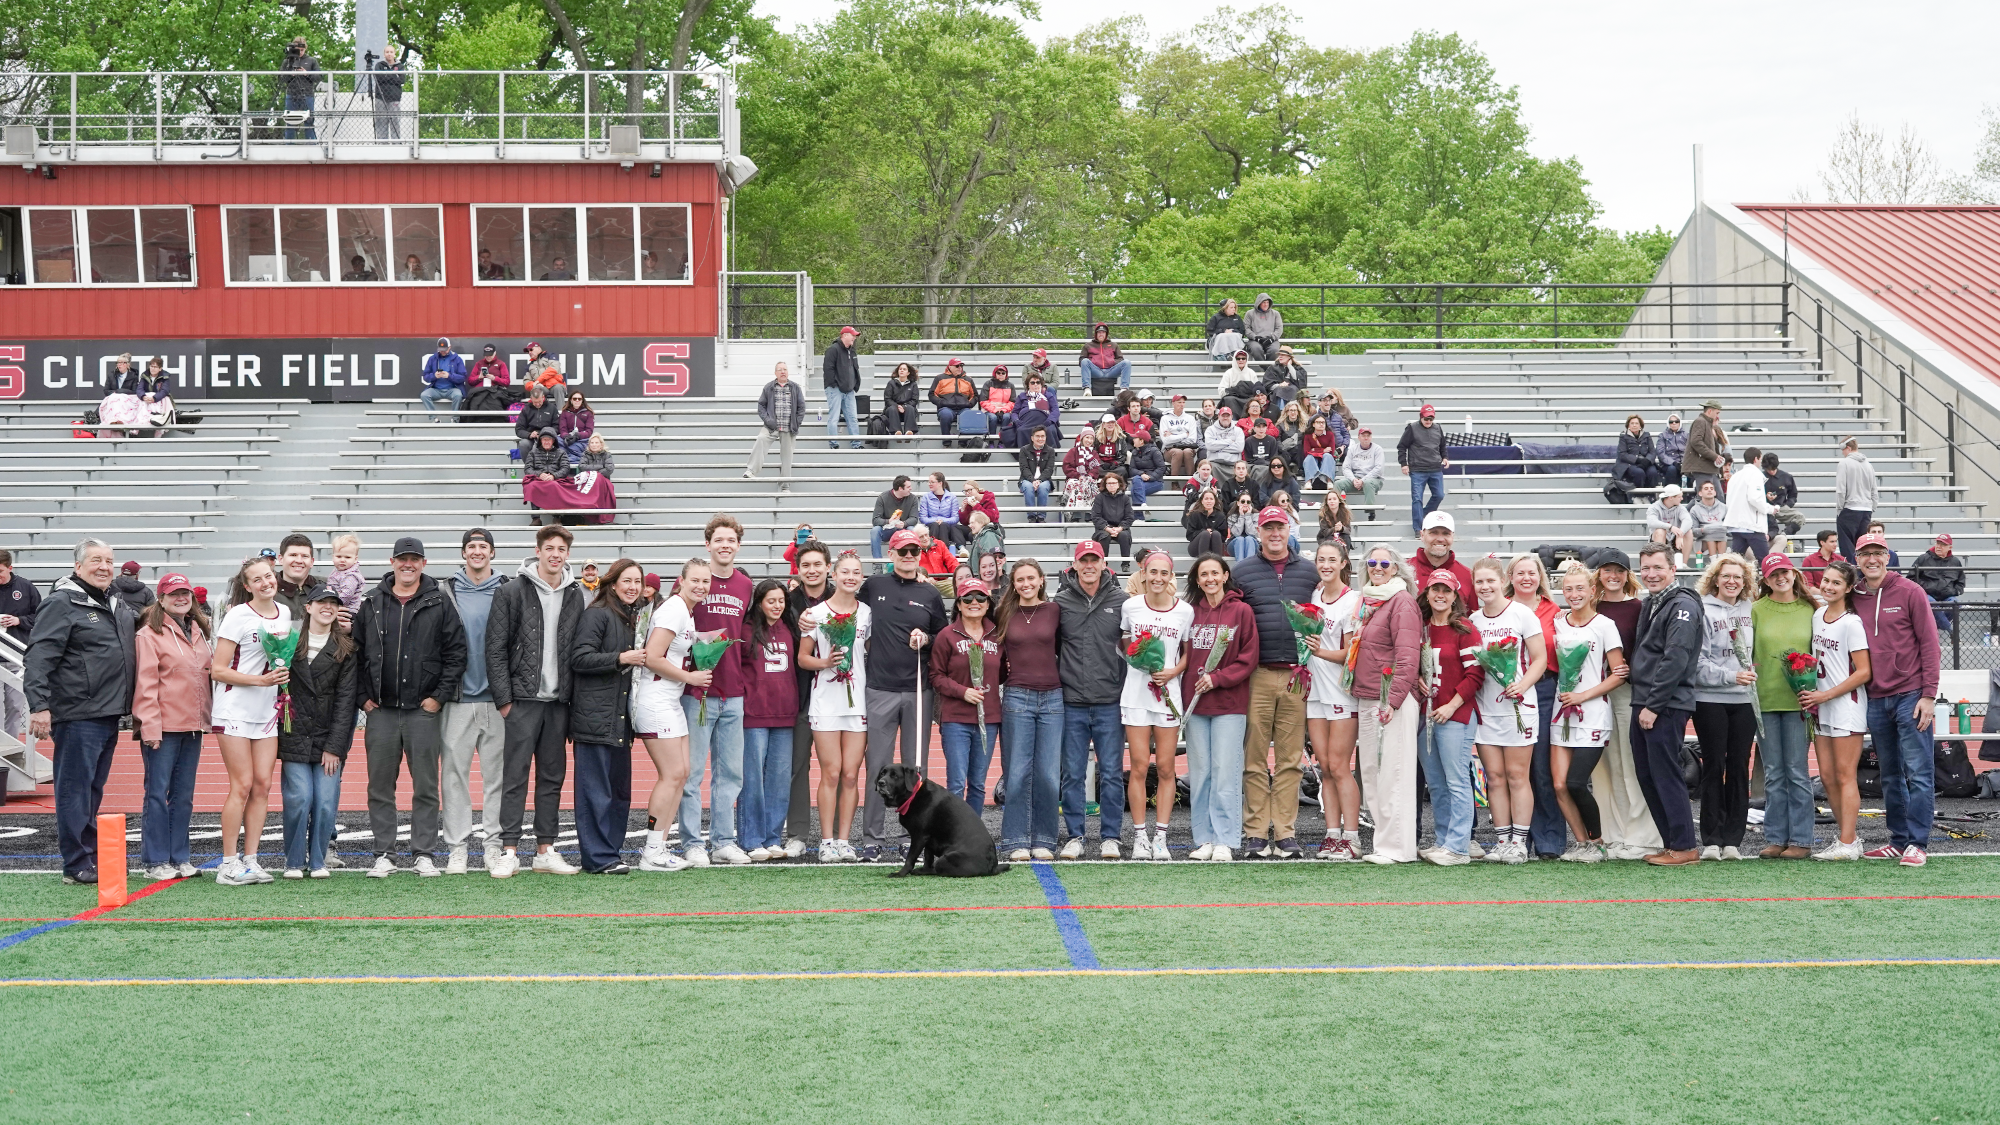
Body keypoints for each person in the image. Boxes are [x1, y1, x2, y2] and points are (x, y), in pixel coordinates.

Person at [24, 540, 138, 885]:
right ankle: (75, 862)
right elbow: (39, 656)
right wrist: (39, 706)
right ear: (77, 566)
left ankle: (90, 856)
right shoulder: (62, 603)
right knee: (75, 790)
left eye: (109, 560)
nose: (104, 566)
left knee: (91, 789)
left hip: (106, 712)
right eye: (95, 561)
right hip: (77, 713)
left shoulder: (114, 602)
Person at [354, 537, 468, 879]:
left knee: (426, 786)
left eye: (414, 559)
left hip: (423, 711)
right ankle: (384, 853)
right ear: (392, 561)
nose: (408, 564)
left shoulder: (439, 601)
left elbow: (456, 654)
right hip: (382, 711)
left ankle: (423, 853)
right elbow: (355, 654)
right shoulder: (372, 602)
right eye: (402, 559)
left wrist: (438, 697)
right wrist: (364, 699)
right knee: (380, 786)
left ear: (424, 562)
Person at [1230, 505, 1320, 859]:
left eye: (1279, 527)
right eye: (1268, 528)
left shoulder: (1310, 572)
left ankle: (1284, 832)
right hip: (1258, 675)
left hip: (1297, 676)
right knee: (1253, 758)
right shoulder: (1243, 571)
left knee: (1289, 760)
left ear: (1289, 529)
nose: (1274, 533)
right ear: (1259, 532)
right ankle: (1255, 832)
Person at [1850, 532, 1941, 866]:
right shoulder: (1854, 595)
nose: (1871, 559)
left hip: (1910, 695)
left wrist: (1929, 694)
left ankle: (1918, 842)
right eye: (1865, 554)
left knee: (1918, 772)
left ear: (1887, 556)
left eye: (1878, 553)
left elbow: (1930, 645)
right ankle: (1899, 839)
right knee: (1889, 773)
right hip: (1875, 697)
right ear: (1856, 559)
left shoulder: (1910, 591)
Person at [857, 529, 949, 861]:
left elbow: (943, 632)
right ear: (891, 554)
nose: (909, 555)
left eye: (914, 550)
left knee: (914, 769)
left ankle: (911, 835)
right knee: (878, 766)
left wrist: (926, 636)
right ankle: (873, 838)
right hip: (879, 688)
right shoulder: (874, 586)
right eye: (903, 551)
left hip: (916, 691)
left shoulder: (930, 593)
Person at [204, 555, 293, 886]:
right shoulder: (237, 615)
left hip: (267, 711)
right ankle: (227, 863)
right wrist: (261, 682)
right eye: (257, 579)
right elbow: (218, 669)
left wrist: (280, 681)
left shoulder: (284, 612)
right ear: (247, 586)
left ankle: (251, 859)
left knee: (263, 785)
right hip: (235, 709)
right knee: (240, 785)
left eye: (269, 576)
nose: (266, 582)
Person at [674, 515, 755, 865]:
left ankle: (722, 840)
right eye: (718, 540)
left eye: (731, 540)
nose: (725, 545)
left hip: (732, 691)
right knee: (691, 772)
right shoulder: (695, 581)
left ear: (737, 545)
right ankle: (691, 842)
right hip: (697, 691)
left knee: (730, 772)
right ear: (708, 544)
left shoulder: (745, 585)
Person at [434, 529, 509, 875]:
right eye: (471, 547)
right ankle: (458, 848)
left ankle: (493, 846)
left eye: (483, 546)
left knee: (498, 776)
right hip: (458, 698)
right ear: (463, 553)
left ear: (492, 552)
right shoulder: (444, 590)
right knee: (454, 776)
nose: (477, 552)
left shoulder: (508, 588)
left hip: (498, 699)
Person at [568, 559, 647, 874]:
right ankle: (597, 858)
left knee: (618, 792)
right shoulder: (597, 614)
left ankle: (610, 854)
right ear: (612, 583)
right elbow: (579, 657)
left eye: (637, 582)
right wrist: (620, 658)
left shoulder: (631, 618)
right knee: (595, 793)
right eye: (626, 581)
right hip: (594, 719)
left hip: (618, 720)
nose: (632, 587)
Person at [1110, 551, 1189, 861]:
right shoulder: (1130, 606)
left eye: (1164, 573)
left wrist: (1172, 671)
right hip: (1136, 696)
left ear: (1171, 576)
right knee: (1140, 766)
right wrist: (1139, 660)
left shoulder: (1185, 611)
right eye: (1152, 572)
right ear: (1143, 573)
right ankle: (1140, 836)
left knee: (1168, 768)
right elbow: (1125, 646)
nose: (1157, 578)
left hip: (1168, 694)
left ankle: (1162, 837)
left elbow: (1188, 653)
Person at [1628, 544, 1704, 865]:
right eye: (1645, 568)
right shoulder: (1653, 602)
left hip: (1663, 704)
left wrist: (1654, 705)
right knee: (1647, 774)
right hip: (1645, 700)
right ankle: (1672, 842)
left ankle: (1685, 845)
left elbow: (1676, 657)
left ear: (1673, 569)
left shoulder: (1682, 605)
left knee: (1665, 773)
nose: (1651, 574)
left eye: (1658, 567)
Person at [130, 574, 209, 880]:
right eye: (174, 593)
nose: (181, 598)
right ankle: (155, 860)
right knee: (157, 794)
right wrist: (150, 726)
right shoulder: (149, 634)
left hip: (192, 726)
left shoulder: (199, 631)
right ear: (161, 598)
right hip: (163, 727)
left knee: (184, 796)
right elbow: (145, 684)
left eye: (185, 593)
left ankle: (180, 856)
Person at [1548, 564, 1628, 863]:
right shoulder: (1558, 622)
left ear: (1592, 591)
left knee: (1575, 783)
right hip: (1561, 711)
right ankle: (1582, 844)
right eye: (1568, 589)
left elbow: (1619, 673)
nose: (1574, 594)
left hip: (1592, 713)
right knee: (1558, 785)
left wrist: (1582, 695)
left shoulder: (1605, 625)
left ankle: (1598, 842)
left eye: (1580, 588)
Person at [277, 586, 358, 879]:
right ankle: (294, 862)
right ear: (308, 607)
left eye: (333, 603)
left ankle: (320, 860)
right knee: (299, 798)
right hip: (295, 734)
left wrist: (335, 747)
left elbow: (346, 702)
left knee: (324, 802)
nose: (328, 607)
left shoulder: (347, 649)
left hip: (328, 739)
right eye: (322, 602)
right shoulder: (288, 643)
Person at [1054, 540, 1128, 859]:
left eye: (1093, 560)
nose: (1088, 565)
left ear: (1102, 562)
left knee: (1111, 771)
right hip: (1072, 700)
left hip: (1110, 700)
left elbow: (1132, 646)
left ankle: (1111, 835)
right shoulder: (1060, 602)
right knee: (1072, 772)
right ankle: (1076, 835)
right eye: (1083, 560)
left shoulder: (1122, 600)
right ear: (1074, 565)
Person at [632, 557, 706, 872]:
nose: (701, 586)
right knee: (672, 774)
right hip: (656, 700)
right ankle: (651, 851)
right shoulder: (674, 609)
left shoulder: (685, 612)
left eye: (706, 582)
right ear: (681, 580)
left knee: (683, 772)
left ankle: (660, 846)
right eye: (696, 580)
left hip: (670, 700)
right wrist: (690, 678)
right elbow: (651, 657)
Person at [1350, 546, 1423, 863]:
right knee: (1373, 774)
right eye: (1372, 562)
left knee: (1394, 773)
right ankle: (1384, 843)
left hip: (1391, 699)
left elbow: (1408, 657)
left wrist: (1392, 699)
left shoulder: (1401, 601)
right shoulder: (1369, 602)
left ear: (1395, 568)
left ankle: (1397, 848)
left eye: (1384, 563)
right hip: (1367, 695)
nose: (1377, 567)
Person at [1467, 556, 1542, 864]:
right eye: (1479, 582)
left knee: (1516, 776)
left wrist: (1522, 685)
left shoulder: (1522, 614)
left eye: (1490, 581)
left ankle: (1520, 843)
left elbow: (1538, 659)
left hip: (1519, 706)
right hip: (1485, 708)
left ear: (1502, 582)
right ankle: (1501, 840)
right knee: (1494, 777)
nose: (1485, 587)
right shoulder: (1473, 620)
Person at [799, 552, 872, 861]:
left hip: (857, 702)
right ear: (835, 574)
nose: (851, 577)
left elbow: (867, 651)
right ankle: (826, 841)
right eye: (845, 572)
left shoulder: (867, 612)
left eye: (856, 573)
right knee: (831, 772)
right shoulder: (815, 614)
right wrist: (826, 663)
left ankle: (845, 840)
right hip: (825, 702)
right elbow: (803, 658)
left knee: (851, 775)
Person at [1589, 552, 1661, 860]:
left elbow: (1646, 651)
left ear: (1627, 574)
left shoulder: (1639, 607)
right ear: (1600, 574)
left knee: (1630, 764)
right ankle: (1614, 835)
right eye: (1607, 570)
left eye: (1619, 570)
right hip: (1593, 695)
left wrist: (1634, 671)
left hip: (1626, 694)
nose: (1613, 575)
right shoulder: (1589, 607)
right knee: (1604, 768)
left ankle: (1641, 835)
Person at [992, 560, 1063, 859]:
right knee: (1017, 773)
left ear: (1042, 580)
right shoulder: (1003, 613)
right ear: (1013, 582)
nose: (1026, 584)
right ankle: (1016, 840)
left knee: (1047, 774)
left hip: (1053, 699)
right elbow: (995, 655)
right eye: (1020, 579)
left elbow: (1062, 648)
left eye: (1031, 578)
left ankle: (1045, 839)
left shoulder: (1055, 611)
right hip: (1017, 697)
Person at [1414, 569, 1485, 866]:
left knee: (1457, 781)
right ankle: (1443, 840)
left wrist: (1452, 705)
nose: (1440, 595)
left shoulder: (1465, 629)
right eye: (1435, 590)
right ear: (1427, 594)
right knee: (1436, 783)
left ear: (1455, 596)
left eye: (1446, 590)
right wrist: (1418, 677)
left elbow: (1476, 675)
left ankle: (1458, 846)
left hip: (1454, 714)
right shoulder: (1422, 628)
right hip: (1426, 714)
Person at [1806, 560, 1875, 861]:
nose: (1828, 586)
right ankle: (1848, 838)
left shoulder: (1852, 623)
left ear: (1848, 588)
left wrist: (1826, 695)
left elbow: (1863, 672)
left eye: (1836, 583)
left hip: (1846, 705)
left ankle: (1848, 844)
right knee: (1827, 776)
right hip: (1821, 706)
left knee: (1846, 775)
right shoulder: (1818, 614)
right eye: (1826, 580)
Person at [1750, 552, 1816, 860]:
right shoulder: (1755, 611)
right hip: (1765, 701)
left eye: (1785, 572)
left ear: (1794, 574)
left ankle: (1801, 839)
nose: (1781, 577)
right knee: (1774, 773)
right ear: (1765, 579)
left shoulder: (1811, 609)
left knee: (1797, 772)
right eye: (1774, 573)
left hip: (1799, 703)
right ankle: (1776, 837)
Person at [1304, 541, 1363, 860]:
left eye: (1331, 560)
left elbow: (1352, 653)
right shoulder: (1313, 595)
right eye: (1320, 559)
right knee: (1325, 766)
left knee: (1341, 766)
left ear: (1343, 564)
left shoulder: (1352, 601)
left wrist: (1319, 651)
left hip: (1341, 693)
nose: (1325, 564)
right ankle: (1332, 835)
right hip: (1315, 693)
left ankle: (1352, 838)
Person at [739, 579, 799, 861]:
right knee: (753, 780)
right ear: (759, 602)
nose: (777, 606)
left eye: (781, 601)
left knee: (778, 780)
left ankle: (773, 838)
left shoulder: (791, 627)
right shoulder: (746, 629)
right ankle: (751, 839)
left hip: (785, 714)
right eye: (771, 601)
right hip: (754, 714)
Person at [930, 577, 1001, 814]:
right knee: (957, 784)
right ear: (958, 604)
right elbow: (936, 676)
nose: (974, 602)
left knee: (978, 785)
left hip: (988, 720)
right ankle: (953, 835)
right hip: (956, 720)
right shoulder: (946, 635)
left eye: (980, 597)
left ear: (988, 603)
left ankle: (974, 835)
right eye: (967, 597)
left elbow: (1002, 673)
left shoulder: (997, 635)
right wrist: (963, 692)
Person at [781, 541, 834, 856]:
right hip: (799, 695)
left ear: (829, 567)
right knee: (797, 767)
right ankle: (797, 833)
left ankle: (837, 834)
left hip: (838, 697)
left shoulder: (846, 598)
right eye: (806, 566)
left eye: (818, 564)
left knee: (836, 767)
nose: (812, 570)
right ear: (797, 570)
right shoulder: (786, 602)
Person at [0, 550, 40, 756]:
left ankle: (11, 751)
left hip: (16, 656)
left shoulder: (26, 587)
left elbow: (41, 616)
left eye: (0, 572)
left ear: (10, 568)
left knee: (15, 707)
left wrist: (19, 621)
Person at [746, 361, 804, 488]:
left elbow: (801, 407)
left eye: (785, 369)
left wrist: (796, 423)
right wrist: (768, 420)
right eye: (780, 369)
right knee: (761, 439)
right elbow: (761, 405)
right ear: (775, 373)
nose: (783, 372)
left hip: (789, 427)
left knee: (787, 457)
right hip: (771, 426)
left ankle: (785, 486)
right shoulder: (769, 387)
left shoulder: (795, 388)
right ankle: (751, 470)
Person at [1397, 404, 1451, 535]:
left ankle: (1424, 515)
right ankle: (1418, 528)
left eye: (1431, 419)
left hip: (1435, 468)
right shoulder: (1412, 428)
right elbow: (1402, 446)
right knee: (1417, 499)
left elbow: (1442, 445)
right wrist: (1404, 464)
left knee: (1439, 495)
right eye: (1426, 418)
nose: (1428, 421)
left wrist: (1445, 457)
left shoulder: (1438, 428)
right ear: (1421, 417)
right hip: (1417, 469)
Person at [1723, 447, 1772, 561]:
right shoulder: (1755, 474)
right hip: (1752, 525)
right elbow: (1755, 499)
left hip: (1736, 524)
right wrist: (1770, 509)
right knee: (1765, 562)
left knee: (1734, 562)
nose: (1760, 462)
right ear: (1756, 459)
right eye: (1760, 459)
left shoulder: (1735, 476)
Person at [1909, 533, 1965, 630]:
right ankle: (1951, 631)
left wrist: (1954, 591)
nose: (1939, 547)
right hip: (1928, 594)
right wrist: (1924, 588)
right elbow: (1911, 578)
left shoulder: (1955, 562)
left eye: (1943, 545)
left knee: (1955, 602)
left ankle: (1934, 627)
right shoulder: (1923, 558)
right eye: (1938, 543)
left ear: (1949, 547)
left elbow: (1960, 582)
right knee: (1931, 602)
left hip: (1947, 596)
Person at [1409, 511, 1474, 593]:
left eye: (1446, 533)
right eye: (1433, 533)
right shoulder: (1404, 571)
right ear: (1422, 535)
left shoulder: (1467, 575)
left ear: (1452, 537)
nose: (1440, 539)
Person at [1834, 438, 1877, 561]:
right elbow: (1874, 489)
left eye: (1843, 450)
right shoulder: (1868, 465)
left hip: (1849, 508)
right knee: (1862, 547)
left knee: (1847, 547)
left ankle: (1852, 575)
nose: (1842, 453)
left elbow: (1841, 489)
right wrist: (1872, 507)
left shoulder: (1844, 463)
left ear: (1848, 448)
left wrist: (1839, 509)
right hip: (1866, 509)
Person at [1682, 399, 1729, 495]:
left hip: (1707, 467)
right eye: (1717, 413)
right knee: (1703, 498)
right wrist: (1714, 456)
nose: (1718, 416)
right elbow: (1696, 442)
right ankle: (1687, 511)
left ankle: (1687, 510)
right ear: (1710, 411)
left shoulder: (1706, 423)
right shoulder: (1701, 422)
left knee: (1716, 497)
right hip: (1702, 467)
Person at [279, 36, 321, 139]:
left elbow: (319, 77)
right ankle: (289, 144)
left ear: (305, 49)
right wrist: (291, 74)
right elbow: (280, 78)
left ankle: (311, 144)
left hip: (307, 94)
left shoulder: (311, 61)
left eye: (302, 50)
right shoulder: (288, 61)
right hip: (291, 93)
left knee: (309, 120)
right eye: (298, 50)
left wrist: (306, 73)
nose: (300, 52)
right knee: (290, 121)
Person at [1091, 472, 1135, 569]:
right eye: (1109, 483)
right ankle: (1103, 564)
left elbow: (1129, 516)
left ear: (1119, 484)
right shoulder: (1099, 498)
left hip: (1120, 527)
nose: (1111, 485)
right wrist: (1107, 528)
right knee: (1104, 536)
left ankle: (1125, 564)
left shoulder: (1125, 498)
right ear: (1105, 485)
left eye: (1114, 483)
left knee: (1124, 535)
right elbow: (1096, 516)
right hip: (1103, 528)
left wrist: (1120, 528)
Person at [1334, 427, 1383, 510]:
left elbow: (1378, 468)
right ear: (1359, 437)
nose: (1366, 438)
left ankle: (1370, 512)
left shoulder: (1377, 449)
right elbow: (1346, 467)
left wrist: (1363, 480)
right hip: (1355, 479)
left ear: (1371, 437)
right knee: (1338, 484)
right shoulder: (1353, 449)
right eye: (1363, 435)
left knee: (1368, 483)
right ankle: (1337, 510)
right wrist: (1353, 479)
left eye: (1368, 435)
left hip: (1374, 480)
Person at [929, 357, 978, 438]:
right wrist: (941, 403)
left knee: (967, 414)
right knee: (945, 415)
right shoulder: (940, 378)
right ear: (950, 367)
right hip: (946, 408)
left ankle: (963, 444)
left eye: (961, 366)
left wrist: (969, 404)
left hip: (963, 408)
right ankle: (946, 443)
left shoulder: (968, 380)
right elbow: (932, 394)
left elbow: (975, 395)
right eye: (957, 366)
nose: (959, 368)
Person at [1645, 484, 1693, 564]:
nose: (1682, 498)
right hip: (1659, 539)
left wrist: (1680, 534)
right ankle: (1660, 564)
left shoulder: (1680, 508)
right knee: (1660, 531)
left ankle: (1683, 564)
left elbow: (1688, 521)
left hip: (1675, 538)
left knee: (1688, 532)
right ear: (1671, 498)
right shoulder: (1654, 507)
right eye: (1679, 496)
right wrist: (1670, 527)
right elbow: (1651, 522)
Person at [870, 475, 915, 561]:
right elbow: (875, 520)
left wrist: (904, 524)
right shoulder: (883, 497)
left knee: (912, 529)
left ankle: (911, 561)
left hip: (903, 529)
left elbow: (914, 518)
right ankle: (878, 564)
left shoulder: (912, 499)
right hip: (887, 529)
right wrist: (888, 521)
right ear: (900, 488)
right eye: (908, 487)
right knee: (875, 531)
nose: (911, 488)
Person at [420, 337, 467, 418]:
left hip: (452, 389)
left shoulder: (457, 359)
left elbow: (463, 377)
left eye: (445, 349)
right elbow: (425, 376)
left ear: (450, 347)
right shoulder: (432, 359)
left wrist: (449, 376)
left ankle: (455, 419)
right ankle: (434, 418)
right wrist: (434, 376)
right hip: (436, 389)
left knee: (458, 395)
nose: (443, 351)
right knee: (424, 395)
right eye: (441, 349)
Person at [1018, 427, 1057, 524]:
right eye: (1037, 436)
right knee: (1028, 486)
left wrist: (1039, 480)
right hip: (1027, 479)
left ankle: (1041, 517)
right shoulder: (1024, 450)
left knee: (1043, 488)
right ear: (1032, 438)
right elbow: (1024, 468)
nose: (1040, 439)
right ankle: (1031, 517)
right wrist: (1033, 480)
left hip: (1044, 480)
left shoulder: (1050, 450)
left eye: (1043, 436)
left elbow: (1049, 469)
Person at [1613, 415, 1661, 491]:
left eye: (1636, 423)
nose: (1634, 425)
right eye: (1632, 423)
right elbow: (1622, 454)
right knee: (1639, 473)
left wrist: (1647, 461)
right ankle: (1638, 496)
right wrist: (1638, 460)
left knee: (1653, 472)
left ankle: (1650, 495)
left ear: (1640, 426)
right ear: (1628, 425)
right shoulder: (1623, 437)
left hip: (1646, 462)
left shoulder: (1647, 435)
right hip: (1630, 463)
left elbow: (1652, 451)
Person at [1079, 322, 1130, 393]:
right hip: (1096, 371)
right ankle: (1087, 388)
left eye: (1103, 332)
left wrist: (1111, 361)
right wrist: (1093, 361)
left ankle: (1124, 389)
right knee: (1084, 361)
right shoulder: (1088, 345)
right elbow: (1081, 361)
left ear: (1106, 334)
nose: (1101, 334)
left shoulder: (1113, 345)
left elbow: (1121, 359)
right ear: (1096, 334)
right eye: (1099, 332)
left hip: (1111, 371)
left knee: (1127, 362)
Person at [1160, 394, 1204, 476]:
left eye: (1183, 402)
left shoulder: (1190, 418)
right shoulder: (1165, 418)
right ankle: (1174, 482)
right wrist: (1184, 435)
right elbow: (1166, 441)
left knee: (1187, 452)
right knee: (1178, 452)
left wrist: (1172, 436)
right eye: (1179, 402)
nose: (1182, 404)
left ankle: (1191, 480)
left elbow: (1192, 439)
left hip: (1187, 448)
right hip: (1169, 449)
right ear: (1173, 403)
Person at [918, 472, 963, 548]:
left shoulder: (952, 497)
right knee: (935, 525)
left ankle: (943, 550)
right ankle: (931, 548)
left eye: (932, 482)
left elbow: (955, 518)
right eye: (929, 482)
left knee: (943, 525)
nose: (929, 484)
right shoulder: (926, 497)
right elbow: (923, 518)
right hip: (931, 526)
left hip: (947, 527)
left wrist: (942, 520)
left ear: (940, 483)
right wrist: (936, 520)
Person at [514, 384, 558, 460]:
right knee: (523, 444)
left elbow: (557, 426)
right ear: (531, 399)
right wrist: (529, 435)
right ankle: (529, 467)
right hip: (531, 438)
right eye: (535, 402)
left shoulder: (552, 408)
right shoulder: (526, 409)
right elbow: (519, 429)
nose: (537, 404)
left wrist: (546, 434)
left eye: (539, 402)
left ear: (543, 397)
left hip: (548, 437)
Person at [1688, 480, 1726, 562]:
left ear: (1715, 492)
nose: (1709, 490)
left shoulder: (1724, 507)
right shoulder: (1694, 509)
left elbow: (1729, 526)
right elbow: (1693, 531)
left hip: (1721, 536)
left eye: (1711, 488)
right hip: (1703, 540)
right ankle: (1715, 561)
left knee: (1719, 530)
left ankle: (1720, 560)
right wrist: (1704, 530)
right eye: (1706, 488)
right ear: (1700, 493)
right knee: (1710, 530)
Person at [1183, 489, 1229, 557]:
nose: (1209, 501)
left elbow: (1223, 537)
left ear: (1215, 501)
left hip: (1214, 546)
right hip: (1196, 547)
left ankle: (1218, 562)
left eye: (1211, 499)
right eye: (1206, 499)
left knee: (1216, 534)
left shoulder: (1220, 516)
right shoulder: (1195, 514)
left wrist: (1212, 532)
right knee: (1205, 534)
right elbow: (1189, 535)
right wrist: (1203, 532)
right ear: (1202, 501)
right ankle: (1203, 562)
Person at [1299, 415, 1338, 490]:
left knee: (1328, 456)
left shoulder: (1330, 434)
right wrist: (1322, 450)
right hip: (1313, 458)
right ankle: (1308, 481)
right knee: (1309, 458)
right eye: (1319, 422)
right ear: (1313, 424)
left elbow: (1331, 451)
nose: (1321, 424)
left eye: (1323, 422)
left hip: (1325, 458)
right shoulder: (1308, 435)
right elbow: (1307, 452)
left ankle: (1329, 481)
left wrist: (1314, 450)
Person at [1204, 405, 1245, 474]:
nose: (1225, 418)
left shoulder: (1238, 430)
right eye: (1223, 416)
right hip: (1215, 462)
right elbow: (1210, 446)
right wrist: (1229, 441)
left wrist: (1217, 447)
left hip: (1233, 463)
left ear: (1231, 417)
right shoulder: (1210, 429)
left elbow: (1239, 448)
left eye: (1228, 416)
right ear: (1218, 416)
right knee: (1210, 467)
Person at [1242, 293, 1284, 360]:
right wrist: (1255, 337)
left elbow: (1279, 328)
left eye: (1267, 302)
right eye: (1264, 302)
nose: (1266, 304)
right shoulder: (1250, 314)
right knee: (1256, 349)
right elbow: (1246, 328)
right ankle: (1266, 368)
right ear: (1259, 303)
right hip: (1254, 340)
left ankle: (1268, 368)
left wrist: (1272, 338)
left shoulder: (1275, 314)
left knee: (1274, 350)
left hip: (1272, 340)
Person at [883, 362, 921, 435]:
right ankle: (896, 432)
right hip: (892, 411)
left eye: (904, 369)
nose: (902, 370)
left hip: (907, 411)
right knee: (892, 409)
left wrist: (904, 407)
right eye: (900, 369)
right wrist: (897, 406)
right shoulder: (891, 383)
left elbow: (914, 400)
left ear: (908, 372)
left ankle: (909, 431)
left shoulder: (913, 384)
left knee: (910, 408)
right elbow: (887, 399)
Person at [557, 390, 595, 461]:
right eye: (575, 399)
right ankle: (569, 458)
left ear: (582, 400)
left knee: (574, 447)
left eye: (579, 399)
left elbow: (589, 431)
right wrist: (566, 436)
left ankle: (569, 459)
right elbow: (562, 429)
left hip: (582, 440)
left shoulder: (588, 413)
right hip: (567, 439)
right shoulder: (565, 412)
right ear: (571, 400)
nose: (577, 400)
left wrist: (577, 436)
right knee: (555, 440)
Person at [1226, 492, 1260, 560]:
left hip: (1252, 544)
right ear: (1238, 503)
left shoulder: (1256, 515)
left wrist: (1247, 516)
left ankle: (1248, 567)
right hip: (1234, 543)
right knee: (1240, 539)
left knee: (1249, 539)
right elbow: (1236, 534)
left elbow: (1252, 533)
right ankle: (1241, 568)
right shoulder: (1232, 515)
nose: (1245, 504)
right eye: (1243, 501)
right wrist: (1241, 516)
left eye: (1248, 502)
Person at [1656, 413, 1688, 484]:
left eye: (1676, 421)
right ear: (1668, 423)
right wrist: (1673, 463)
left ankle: (1689, 494)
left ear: (1680, 423)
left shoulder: (1686, 435)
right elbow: (1660, 453)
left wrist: (1685, 462)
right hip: (1668, 464)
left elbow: (1690, 451)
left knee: (1690, 469)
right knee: (1672, 469)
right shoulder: (1662, 436)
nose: (1674, 423)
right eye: (1671, 422)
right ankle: (1670, 492)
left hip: (1684, 462)